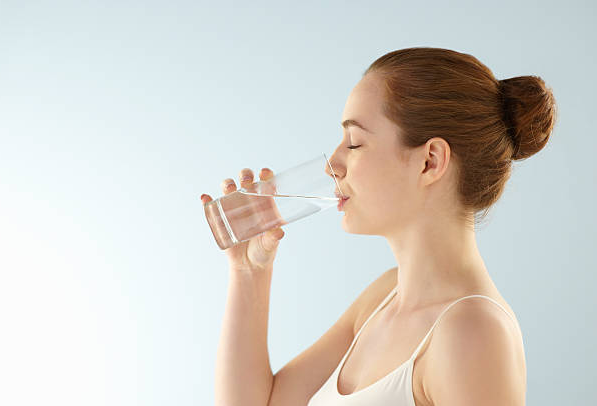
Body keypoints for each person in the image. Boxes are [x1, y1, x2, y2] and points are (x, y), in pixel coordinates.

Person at [201, 47, 557, 406]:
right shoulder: (384, 297)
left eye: (354, 143)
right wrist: (249, 271)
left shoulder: (472, 333)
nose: (332, 165)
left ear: (429, 162)